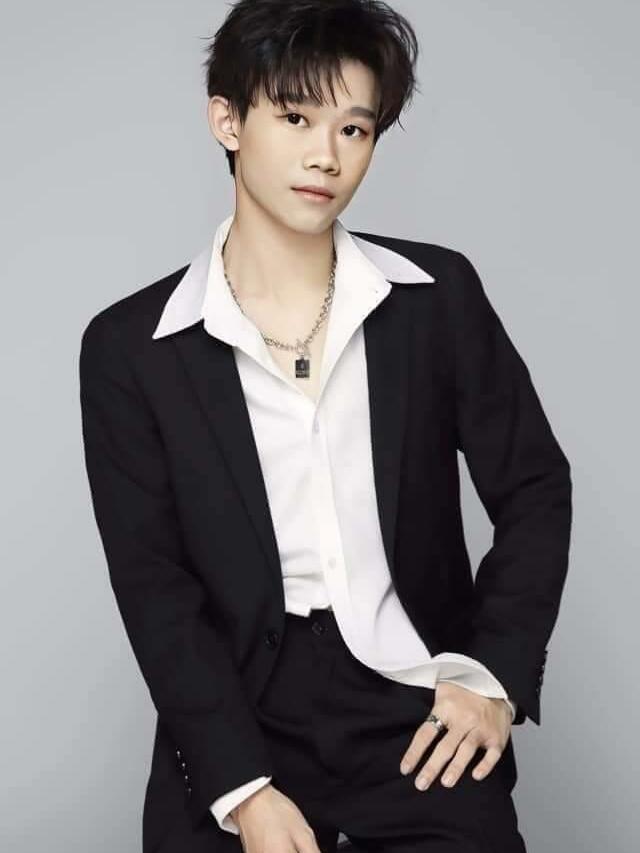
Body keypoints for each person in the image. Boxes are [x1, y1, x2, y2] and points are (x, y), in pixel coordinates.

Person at [79, 1, 572, 851]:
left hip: (413, 703)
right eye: (296, 118)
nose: (327, 157)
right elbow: (155, 586)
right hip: (237, 716)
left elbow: (535, 484)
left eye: (355, 128)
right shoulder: (132, 349)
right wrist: (242, 789)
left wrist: (494, 673)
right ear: (227, 120)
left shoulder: (435, 300)